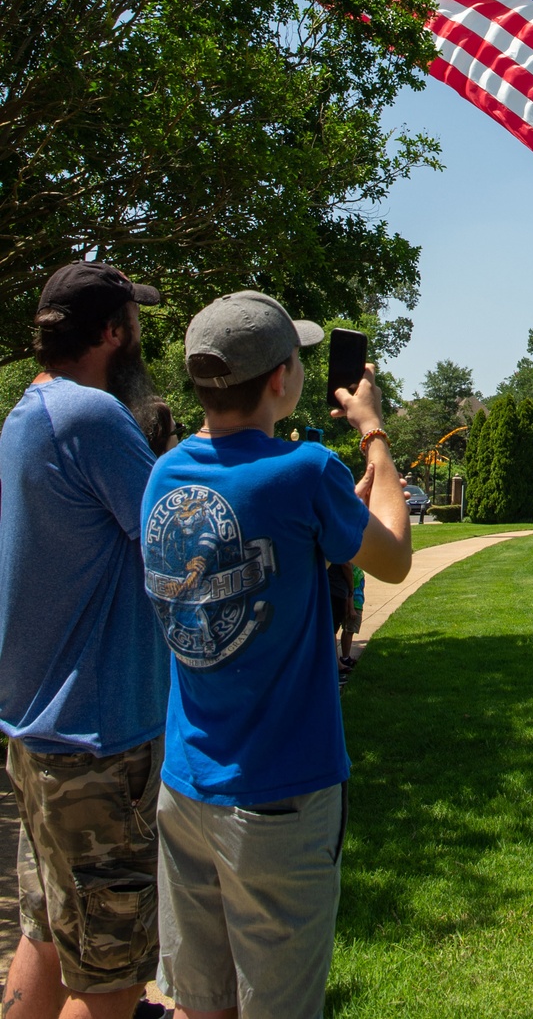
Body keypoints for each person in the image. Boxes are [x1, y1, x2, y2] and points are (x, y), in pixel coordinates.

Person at [141, 290, 411, 1019]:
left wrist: (330, 512)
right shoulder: (305, 470)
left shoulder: (163, 474)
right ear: (281, 379)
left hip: (185, 785)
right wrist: (374, 433)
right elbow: (392, 561)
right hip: (281, 796)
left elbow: (262, 533)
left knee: (203, 1006)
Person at [0, 261, 170, 1019]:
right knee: (112, 980)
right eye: (133, 321)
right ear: (110, 333)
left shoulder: (27, 413)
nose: (140, 334)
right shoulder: (91, 417)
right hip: (99, 745)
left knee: (45, 930)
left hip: (42, 738)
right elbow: (172, 545)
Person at [339, 566, 366, 671]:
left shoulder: (355, 567)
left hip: (357, 603)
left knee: (349, 631)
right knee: (349, 630)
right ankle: (345, 657)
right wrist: (351, 608)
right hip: (354, 605)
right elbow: (350, 590)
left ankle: (346, 657)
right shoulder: (351, 569)